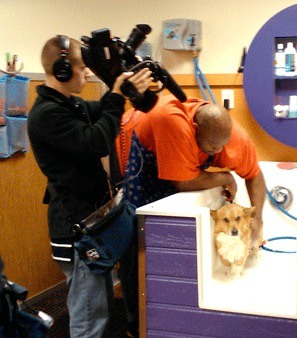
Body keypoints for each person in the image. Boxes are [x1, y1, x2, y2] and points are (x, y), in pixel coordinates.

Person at [27, 35, 152, 337]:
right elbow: (97, 141)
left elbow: (101, 110)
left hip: (89, 225)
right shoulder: (47, 114)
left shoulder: (69, 104)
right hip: (75, 232)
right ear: (62, 70)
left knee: (100, 307)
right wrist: (116, 96)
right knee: (88, 316)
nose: (88, 74)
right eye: (83, 68)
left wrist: (126, 89)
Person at [115, 94, 266, 240]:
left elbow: (254, 175)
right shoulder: (175, 124)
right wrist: (225, 177)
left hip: (176, 150)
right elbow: (183, 183)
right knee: (137, 223)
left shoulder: (236, 139)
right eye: (213, 147)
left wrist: (257, 219)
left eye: (223, 145)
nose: (219, 150)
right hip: (133, 137)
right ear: (195, 129)